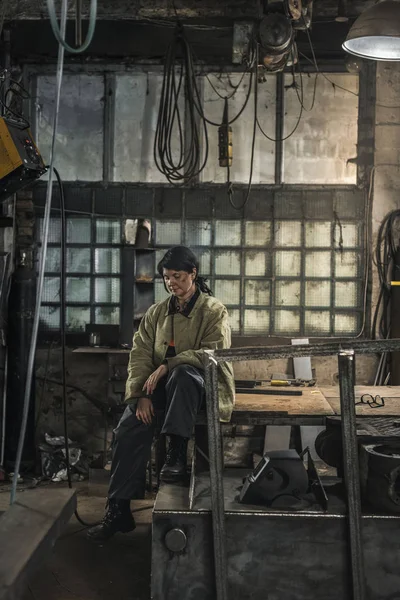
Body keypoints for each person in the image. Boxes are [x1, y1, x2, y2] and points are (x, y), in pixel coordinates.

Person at [87, 245, 235, 541]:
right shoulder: (157, 312)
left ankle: (176, 454)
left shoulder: (213, 310)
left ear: (193, 274)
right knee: (130, 425)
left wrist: (169, 364)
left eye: (178, 276)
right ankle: (118, 510)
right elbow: (141, 354)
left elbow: (213, 352)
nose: (172, 283)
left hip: (200, 385)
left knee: (182, 374)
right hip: (162, 388)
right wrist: (141, 394)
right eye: (167, 278)